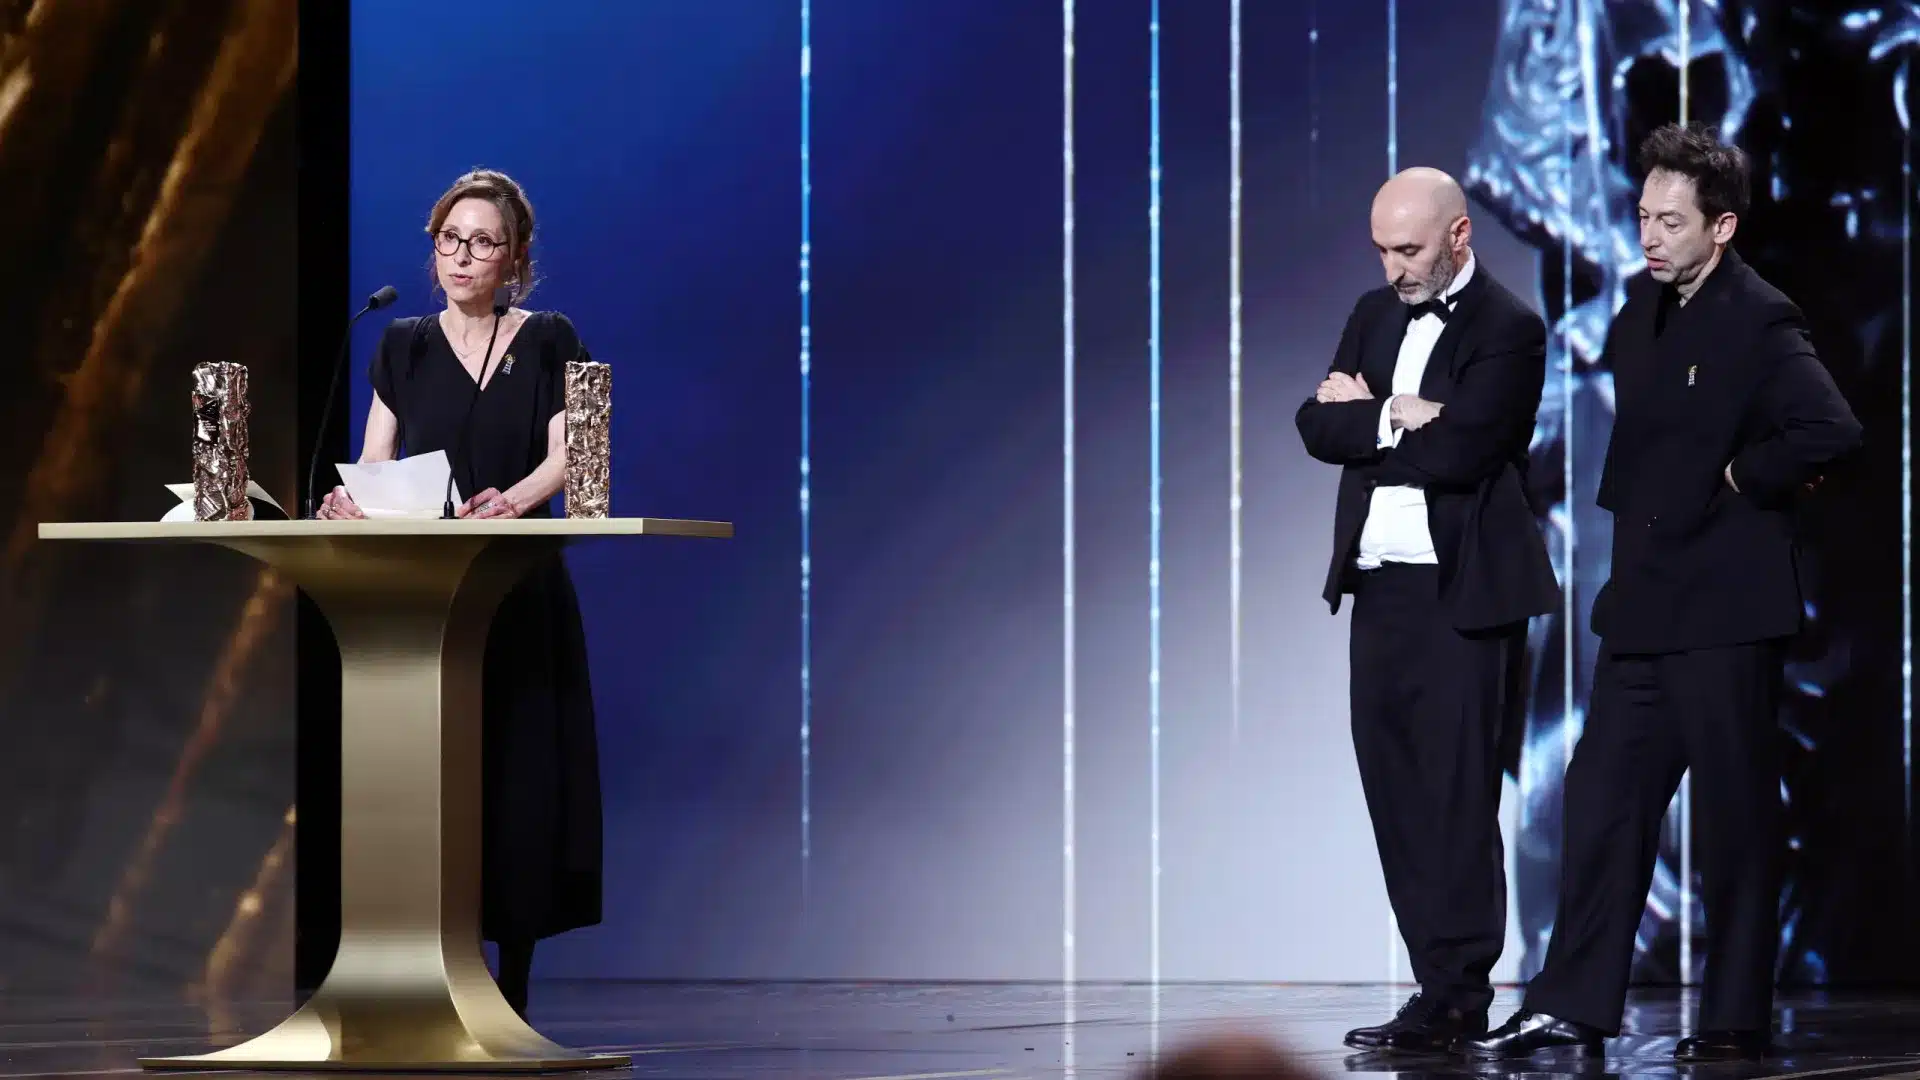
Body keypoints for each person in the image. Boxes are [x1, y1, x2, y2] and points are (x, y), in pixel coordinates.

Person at [1464, 124, 1863, 1062]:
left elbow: (1831, 429)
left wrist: (1744, 477)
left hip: (1727, 616)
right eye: (1642, 215)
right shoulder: (1632, 316)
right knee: (1601, 801)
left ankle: (1732, 1019)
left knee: (1733, 820)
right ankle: (1573, 1002)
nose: (1647, 234)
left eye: (1670, 221)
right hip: (1644, 611)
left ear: (1720, 227)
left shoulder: (1763, 317)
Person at [317, 169, 602, 1019]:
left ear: (515, 258)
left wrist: (513, 501)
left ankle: (512, 984)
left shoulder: (549, 338)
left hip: (516, 584)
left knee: (519, 774)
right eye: (449, 239)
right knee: (441, 776)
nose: (462, 256)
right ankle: (432, 969)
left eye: (482, 242)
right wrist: (350, 498)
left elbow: (572, 454)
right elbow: (379, 457)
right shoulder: (401, 343)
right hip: (429, 598)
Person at [1295, 167, 1558, 1052]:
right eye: (1380, 248)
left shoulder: (1509, 327)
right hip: (1381, 586)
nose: (1392, 266)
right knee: (1395, 789)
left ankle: (1460, 992)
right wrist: (1400, 416)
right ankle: (1430, 984)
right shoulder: (1374, 316)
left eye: (1406, 249)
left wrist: (1374, 420)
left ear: (1457, 238)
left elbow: (1471, 450)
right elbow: (1314, 426)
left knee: (1457, 793)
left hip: (1464, 592)